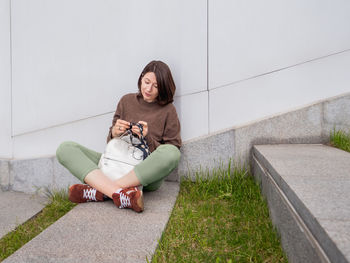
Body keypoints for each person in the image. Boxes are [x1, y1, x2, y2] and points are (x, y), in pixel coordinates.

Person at [56, 60, 182, 213]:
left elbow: (172, 149)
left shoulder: (168, 110)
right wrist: (115, 133)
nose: (149, 89)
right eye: (146, 82)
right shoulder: (126, 101)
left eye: (155, 86)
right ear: (141, 78)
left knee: (173, 153)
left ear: (163, 87)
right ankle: (120, 194)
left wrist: (146, 137)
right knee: (66, 149)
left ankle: (101, 191)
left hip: (145, 172)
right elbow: (111, 143)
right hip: (116, 162)